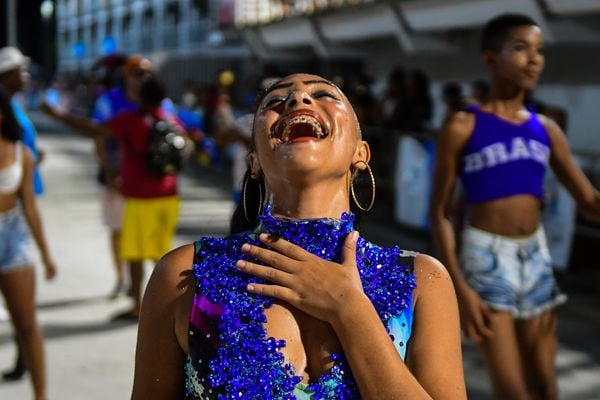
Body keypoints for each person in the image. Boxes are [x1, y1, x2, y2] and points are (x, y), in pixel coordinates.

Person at [131, 73, 466, 399]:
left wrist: (349, 310)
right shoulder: (185, 275)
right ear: (254, 163)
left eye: (324, 95)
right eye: (276, 101)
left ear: (360, 153)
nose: (298, 99)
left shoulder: (422, 279)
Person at [430, 14, 600, 400]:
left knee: (545, 386)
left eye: (539, 51)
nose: (534, 59)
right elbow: (440, 210)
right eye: (521, 48)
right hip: (485, 258)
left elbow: (590, 202)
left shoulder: (546, 128)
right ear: (490, 59)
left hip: (535, 257)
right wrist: (459, 286)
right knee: (513, 392)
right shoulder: (462, 125)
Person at [0, 78, 57, 400]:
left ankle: (40, 396)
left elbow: (30, 209)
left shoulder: (21, 153)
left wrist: (46, 254)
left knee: (27, 324)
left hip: (12, 238)